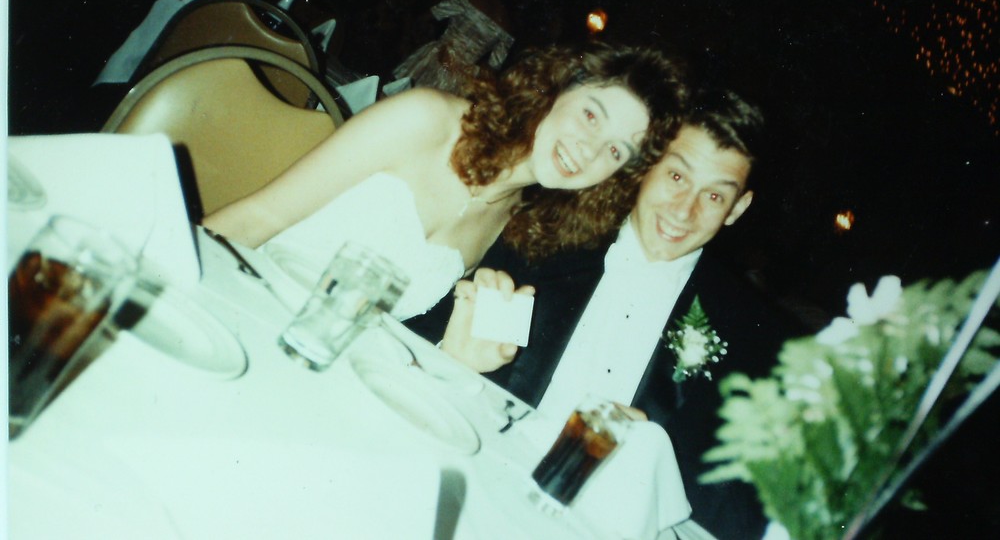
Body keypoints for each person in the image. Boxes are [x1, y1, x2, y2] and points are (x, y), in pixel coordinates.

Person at [410, 89, 800, 537]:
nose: (684, 210)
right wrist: (452, 352)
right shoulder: (541, 232)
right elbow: (414, 335)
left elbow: (740, 511)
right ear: (647, 166)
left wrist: (653, 459)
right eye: (676, 176)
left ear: (737, 209)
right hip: (462, 483)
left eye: (714, 196)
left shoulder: (758, 337)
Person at [203, 43, 688, 320]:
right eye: (591, 115)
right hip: (229, 302)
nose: (590, 149)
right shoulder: (426, 120)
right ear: (556, 88)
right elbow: (258, 216)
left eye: (616, 151)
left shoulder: (510, 221)